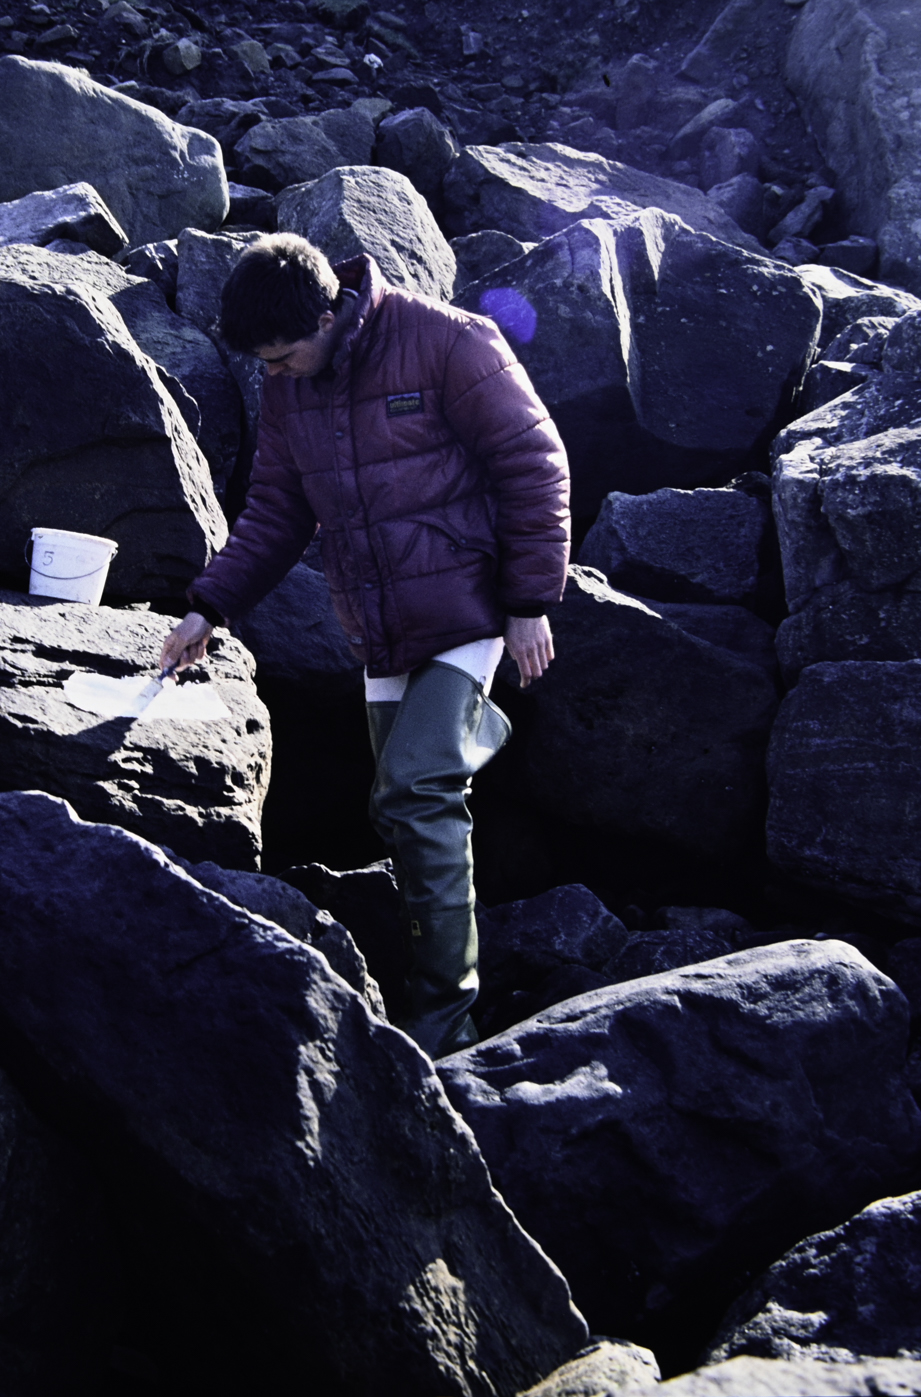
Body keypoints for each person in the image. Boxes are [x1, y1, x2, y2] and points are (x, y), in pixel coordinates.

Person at [157, 233, 570, 1059]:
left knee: (415, 791)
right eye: (263, 364)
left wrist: (530, 599)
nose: (275, 373)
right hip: (379, 626)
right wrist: (209, 607)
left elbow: (535, 462)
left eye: (285, 355)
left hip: (471, 605)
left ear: (327, 313)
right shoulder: (290, 389)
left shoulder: (450, 341)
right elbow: (276, 511)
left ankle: (447, 1017)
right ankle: (471, 741)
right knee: (398, 808)